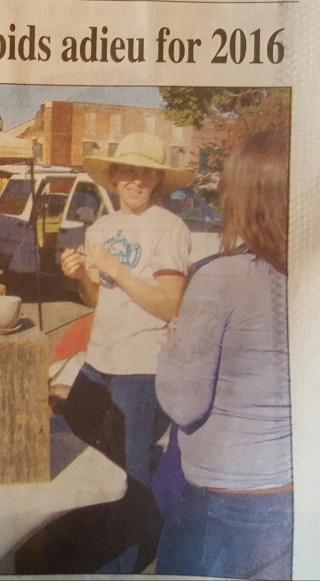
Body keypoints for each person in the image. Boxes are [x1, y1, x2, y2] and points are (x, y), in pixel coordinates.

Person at [155, 130, 292, 579]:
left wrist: (172, 345)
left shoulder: (221, 278)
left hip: (224, 503)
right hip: (292, 495)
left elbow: (183, 403)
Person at [60, 132, 194, 572]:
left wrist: (115, 268)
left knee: (132, 479)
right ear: (114, 177)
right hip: (99, 362)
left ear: (156, 180)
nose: (135, 181)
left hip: (140, 371)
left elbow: (171, 303)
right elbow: (97, 300)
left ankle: (127, 564)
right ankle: (87, 546)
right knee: (77, 453)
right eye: (127, 172)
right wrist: (81, 275)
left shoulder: (170, 228)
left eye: (145, 173)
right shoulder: (102, 227)